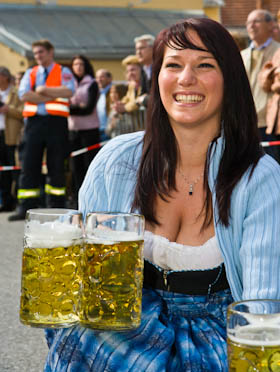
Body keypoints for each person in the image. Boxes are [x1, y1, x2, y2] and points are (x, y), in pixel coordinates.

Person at [43, 18, 280, 371]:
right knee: (88, 336)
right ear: (158, 78)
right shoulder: (115, 161)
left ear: (230, 80)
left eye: (204, 65)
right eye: (173, 65)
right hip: (126, 329)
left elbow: (263, 309)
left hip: (216, 337)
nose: (186, 78)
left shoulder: (259, 179)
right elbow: (81, 286)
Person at [8, 39, 75, 221]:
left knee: (56, 165)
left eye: (41, 52)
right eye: (36, 53)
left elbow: (69, 91)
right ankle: (26, 207)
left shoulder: (63, 71)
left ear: (50, 52)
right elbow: (24, 94)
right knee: (29, 164)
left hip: (56, 124)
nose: (37, 56)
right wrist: (51, 96)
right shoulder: (31, 72)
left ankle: (57, 206)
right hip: (34, 124)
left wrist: (44, 90)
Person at [241, 9, 280, 161]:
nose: (251, 26)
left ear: (271, 25)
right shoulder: (241, 55)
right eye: (248, 23)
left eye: (256, 21)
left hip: (270, 123)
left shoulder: (278, 52)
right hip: (245, 123)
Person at [68, 55, 100, 209]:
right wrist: (76, 107)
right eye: (75, 64)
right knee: (76, 168)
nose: (78, 67)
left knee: (89, 166)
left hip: (89, 131)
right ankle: (76, 201)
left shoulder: (92, 84)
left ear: (86, 66)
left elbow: (88, 108)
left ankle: (92, 200)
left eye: (81, 64)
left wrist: (71, 108)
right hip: (73, 131)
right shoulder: (70, 84)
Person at [0, 66, 23, 211]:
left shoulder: (17, 92)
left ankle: (19, 201)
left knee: (15, 170)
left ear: (5, 77)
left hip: (12, 137)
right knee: (2, 172)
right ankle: (6, 202)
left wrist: (8, 110)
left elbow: (23, 112)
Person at [134, 34, 155, 106]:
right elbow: (142, 94)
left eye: (141, 48)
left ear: (153, 49)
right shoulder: (143, 69)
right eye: (137, 49)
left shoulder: (161, 67)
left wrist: (145, 99)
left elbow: (160, 96)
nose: (138, 52)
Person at [96, 68, 112, 141]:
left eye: (102, 77)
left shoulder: (113, 92)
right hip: (97, 130)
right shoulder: (97, 93)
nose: (99, 79)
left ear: (109, 79)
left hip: (109, 131)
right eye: (97, 77)